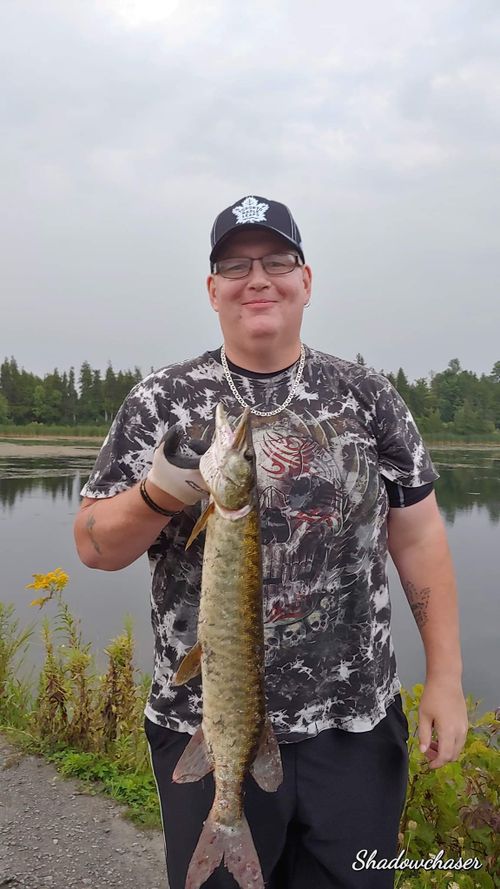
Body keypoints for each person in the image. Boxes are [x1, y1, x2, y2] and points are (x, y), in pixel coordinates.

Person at [74, 195, 468, 889]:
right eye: (236, 264)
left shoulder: (368, 396)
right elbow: (94, 545)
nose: (258, 278)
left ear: (305, 280)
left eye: (277, 260)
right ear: (213, 288)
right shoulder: (161, 400)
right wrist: (160, 492)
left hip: (356, 727)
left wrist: (446, 676)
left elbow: (420, 534)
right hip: (206, 726)